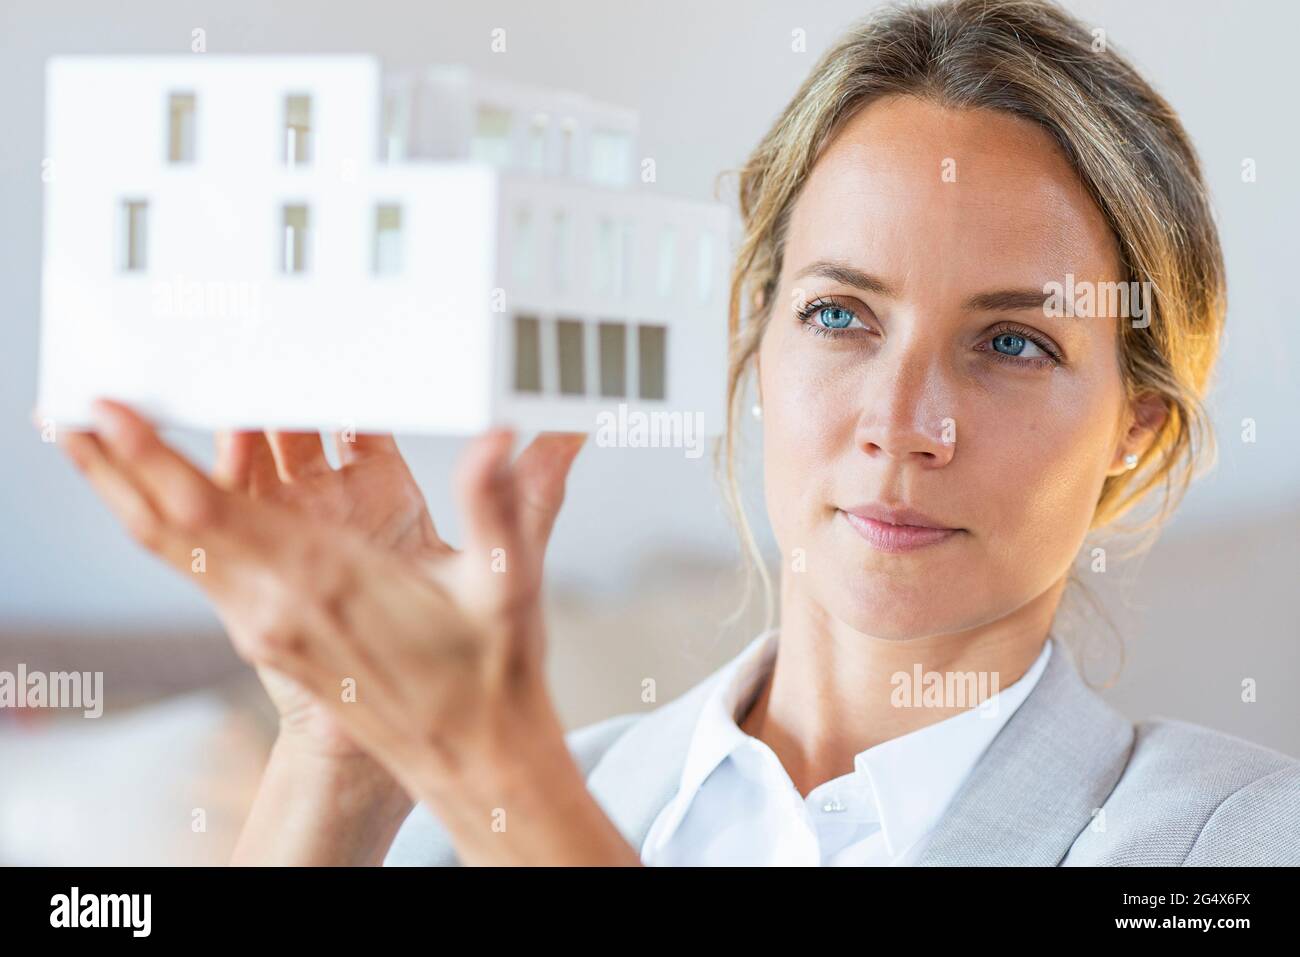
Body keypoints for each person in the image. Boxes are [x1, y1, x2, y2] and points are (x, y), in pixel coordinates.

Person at [56, 0, 1299, 866]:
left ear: (1133, 430)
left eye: (1013, 342)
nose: (900, 424)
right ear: (757, 345)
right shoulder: (499, 799)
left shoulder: (1221, 837)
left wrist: (500, 784)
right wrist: (348, 741)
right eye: (839, 315)